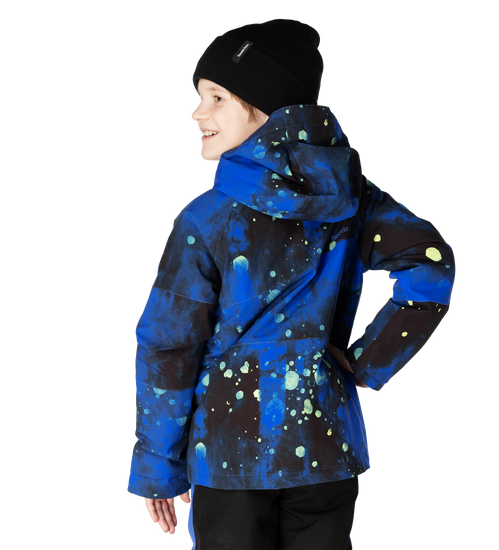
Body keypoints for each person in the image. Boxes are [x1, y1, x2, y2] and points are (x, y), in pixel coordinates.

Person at [125, 17, 458, 549]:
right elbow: (432, 263)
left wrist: (157, 469)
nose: (196, 112)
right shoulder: (355, 197)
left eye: (215, 97)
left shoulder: (207, 219)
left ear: (266, 109)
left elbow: (169, 347)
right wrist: (368, 362)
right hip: (326, 445)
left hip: (229, 456)